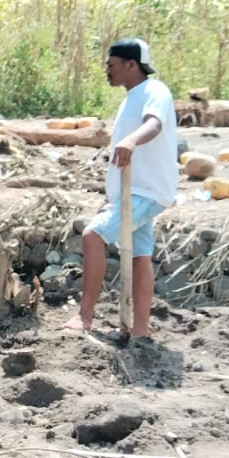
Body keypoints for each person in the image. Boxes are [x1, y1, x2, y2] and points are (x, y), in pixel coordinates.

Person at [65, 39, 178, 341]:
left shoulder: (155, 91)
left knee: (93, 235)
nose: (107, 70)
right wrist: (111, 197)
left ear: (132, 64)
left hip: (146, 191)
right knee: (140, 256)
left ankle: (84, 316)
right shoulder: (131, 98)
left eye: (111, 65)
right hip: (131, 191)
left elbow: (154, 124)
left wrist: (131, 141)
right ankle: (139, 330)